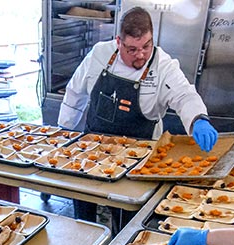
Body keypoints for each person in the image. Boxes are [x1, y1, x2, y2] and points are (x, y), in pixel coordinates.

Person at [58, 7, 218, 225]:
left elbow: (184, 95)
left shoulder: (163, 65)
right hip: (93, 147)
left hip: (138, 156)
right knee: (83, 212)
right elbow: (76, 91)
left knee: (125, 218)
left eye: (146, 46)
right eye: (132, 49)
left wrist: (199, 119)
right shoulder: (99, 54)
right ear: (118, 41)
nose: (141, 54)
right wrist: (65, 132)